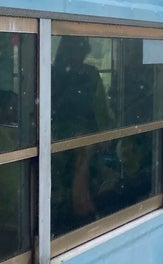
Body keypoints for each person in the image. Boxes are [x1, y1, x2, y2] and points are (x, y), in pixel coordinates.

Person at [51, 36, 112, 233]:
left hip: (58, 145)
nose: (82, 56)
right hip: (76, 144)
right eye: (81, 52)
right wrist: (103, 137)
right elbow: (102, 112)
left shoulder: (50, 73)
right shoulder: (90, 75)